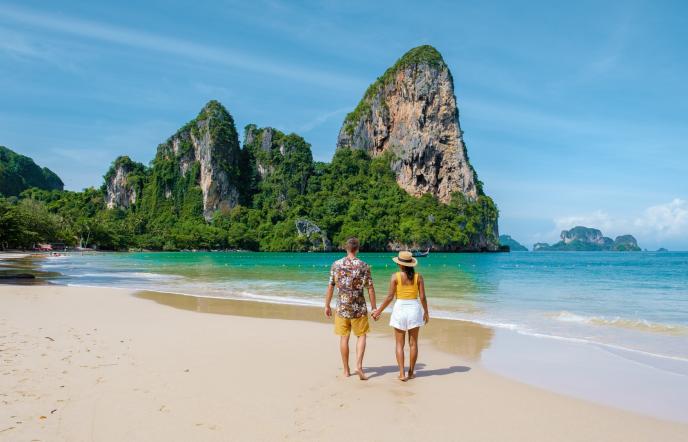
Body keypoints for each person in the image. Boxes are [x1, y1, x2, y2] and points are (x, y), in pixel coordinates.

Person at [372, 251, 429, 381]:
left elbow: (390, 297)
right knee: (413, 344)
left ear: (400, 264)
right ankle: (411, 372)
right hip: (414, 309)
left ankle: (402, 373)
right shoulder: (418, 277)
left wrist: (378, 311)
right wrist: (426, 312)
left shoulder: (395, 277)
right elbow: (422, 297)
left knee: (399, 344)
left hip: (400, 309)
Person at [325, 237, 376, 380]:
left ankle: (346, 370)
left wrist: (327, 305)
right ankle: (358, 366)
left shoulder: (336, 265)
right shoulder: (364, 266)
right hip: (358, 308)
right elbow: (370, 288)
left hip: (342, 307)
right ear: (357, 249)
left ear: (346, 248)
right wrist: (374, 307)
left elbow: (330, 286)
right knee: (362, 336)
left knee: (344, 338)